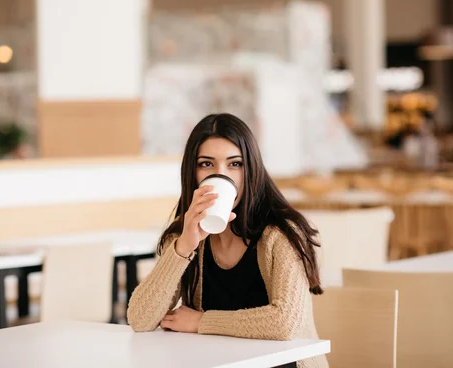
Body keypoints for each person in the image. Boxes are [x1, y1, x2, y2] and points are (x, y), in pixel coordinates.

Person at [127, 113, 327, 368]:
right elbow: (140, 319)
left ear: (251, 170)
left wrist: (201, 322)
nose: (221, 175)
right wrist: (184, 247)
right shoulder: (184, 236)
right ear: (193, 173)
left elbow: (285, 322)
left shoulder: (282, 234)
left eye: (235, 164)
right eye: (206, 164)